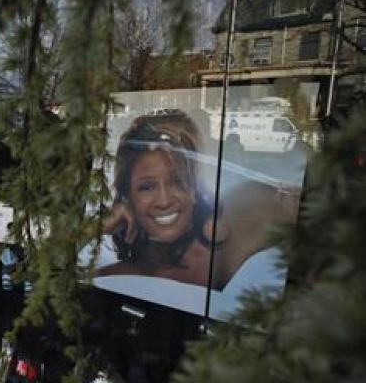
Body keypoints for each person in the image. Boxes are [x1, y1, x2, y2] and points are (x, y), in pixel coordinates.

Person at [97, 111, 300, 291]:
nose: (164, 200)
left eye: (177, 182)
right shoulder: (116, 275)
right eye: (147, 187)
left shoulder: (243, 210)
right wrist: (93, 228)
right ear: (128, 197)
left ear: (195, 185)